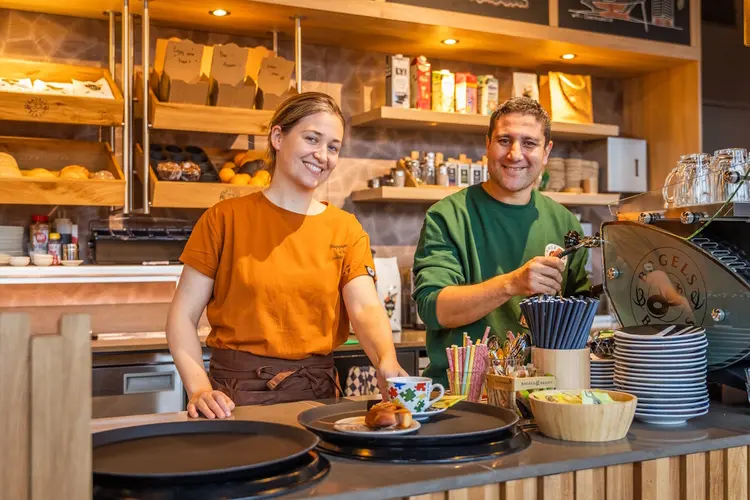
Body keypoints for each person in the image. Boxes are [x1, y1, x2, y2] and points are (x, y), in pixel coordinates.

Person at [167, 92, 407, 419]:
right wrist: (199, 388)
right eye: (312, 139)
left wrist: (386, 361)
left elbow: (364, 308)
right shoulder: (224, 219)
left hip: (318, 400)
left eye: (333, 147)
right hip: (234, 400)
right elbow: (182, 316)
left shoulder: (345, 229)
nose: (322, 155)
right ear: (278, 137)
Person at [412, 97, 591, 386]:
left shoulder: (565, 223)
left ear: (546, 152)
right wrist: (512, 284)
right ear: (487, 145)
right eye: (504, 140)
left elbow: (579, 315)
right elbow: (435, 309)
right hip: (463, 396)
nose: (515, 154)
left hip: (544, 393)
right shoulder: (448, 216)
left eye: (529, 143)